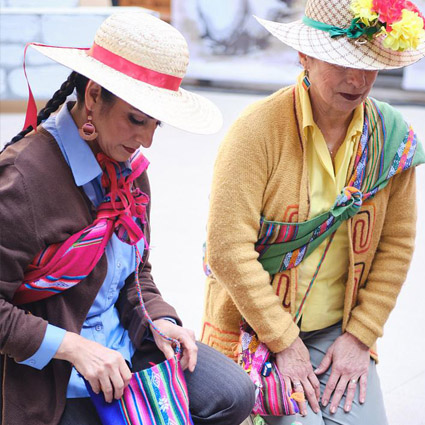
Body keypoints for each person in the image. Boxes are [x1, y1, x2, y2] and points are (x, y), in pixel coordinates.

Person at [0, 11, 255, 425]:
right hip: (55, 373)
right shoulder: (24, 178)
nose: (146, 140)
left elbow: (137, 274)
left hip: (126, 346)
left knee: (232, 393)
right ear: (95, 95)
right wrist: (74, 347)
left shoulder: (131, 173)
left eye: (156, 124)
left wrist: (161, 318)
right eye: (137, 120)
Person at [201, 0, 425, 424]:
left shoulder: (391, 139)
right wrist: (284, 341)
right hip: (256, 325)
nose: (357, 79)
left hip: (338, 330)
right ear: (303, 55)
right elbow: (227, 248)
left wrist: (361, 337)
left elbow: (397, 245)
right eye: (341, 62)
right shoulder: (258, 129)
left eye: (369, 62)